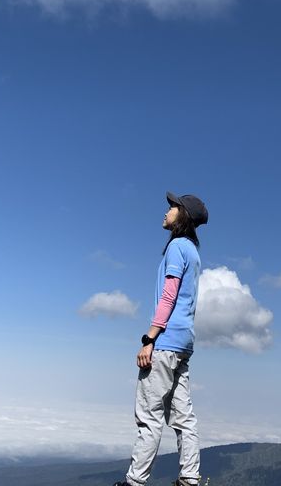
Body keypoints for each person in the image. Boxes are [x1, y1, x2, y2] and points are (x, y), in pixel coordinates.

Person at [114, 191, 209, 486]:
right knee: (184, 418)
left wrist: (149, 338)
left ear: (183, 216)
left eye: (173, 207)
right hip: (184, 344)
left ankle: (135, 482)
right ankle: (190, 480)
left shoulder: (177, 247)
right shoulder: (193, 251)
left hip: (165, 342)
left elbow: (169, 295)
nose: (167, 210)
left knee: (149, 416)